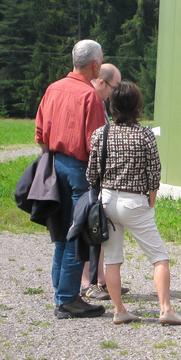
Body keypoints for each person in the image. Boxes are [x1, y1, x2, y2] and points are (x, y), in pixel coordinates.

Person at [87, 81, 181, 325]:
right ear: (137, 106)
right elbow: (154, 172)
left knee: (112, 259)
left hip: (107, 200)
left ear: (112, 105)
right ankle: (165, 309)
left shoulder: (100, 134)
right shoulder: (145, 134)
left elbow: (91, 174)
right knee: (159, 257)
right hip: (135, 202)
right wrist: (151, 199)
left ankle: (119, 310)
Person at [35, 39, 108, 319]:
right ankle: (67, 299)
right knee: (77, 234)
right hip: (79, 168)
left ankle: (61, 292)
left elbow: (40, 135)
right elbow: (96, 144)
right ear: (94, 64)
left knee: (61, 231)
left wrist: (52, 162)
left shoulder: (53, 89)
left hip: (54, 164)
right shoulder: (90, 96)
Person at [82, 63, 122, 302]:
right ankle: (87, 282)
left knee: (99, 229)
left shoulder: (100, 104)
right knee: (90, 227)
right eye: (113, 87)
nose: (114, 94)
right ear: (101, 82)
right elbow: (94, 142)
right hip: (91, 175)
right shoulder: (93, 102)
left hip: (98, 175)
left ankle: (101, 280)